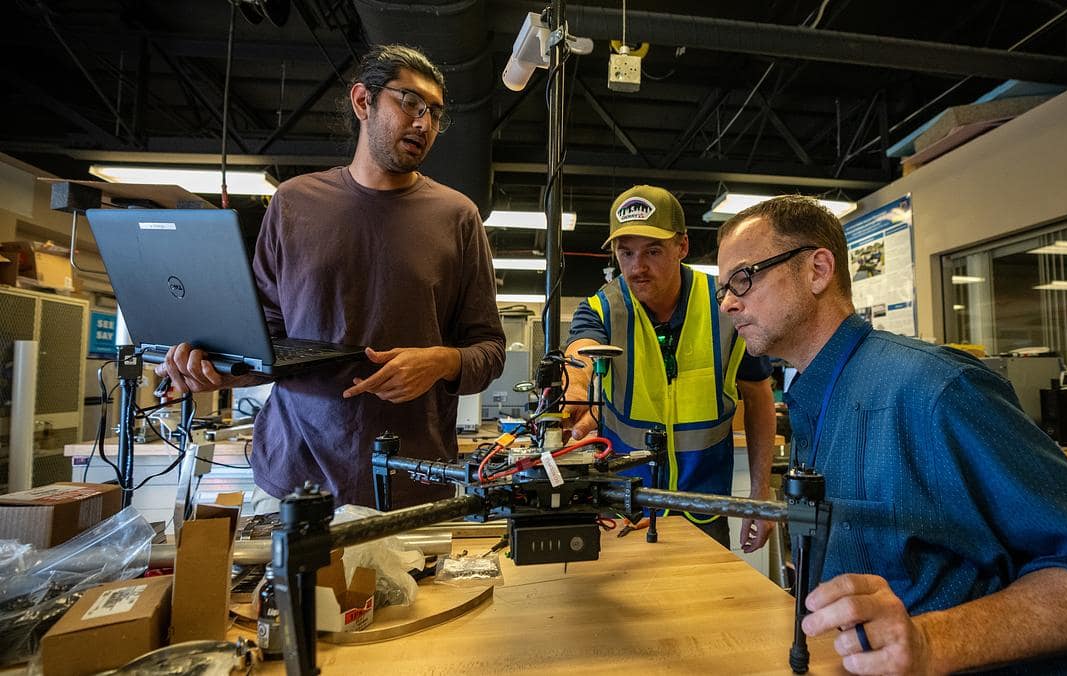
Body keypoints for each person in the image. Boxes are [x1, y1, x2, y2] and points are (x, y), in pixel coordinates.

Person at [714, 195, 1067, 674]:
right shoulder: (814, 397)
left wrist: (932, 640)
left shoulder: (936, 391)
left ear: (818, 269)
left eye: (744, 277)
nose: (727, 302)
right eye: (723, 288)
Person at [157, 44, 505, 509]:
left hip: (409, 480)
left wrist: (440, 362)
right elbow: (264, 342)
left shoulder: (458, 217)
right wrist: (214, 370)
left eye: (435, 113)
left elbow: (490, 350)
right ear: (363, 101)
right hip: (295, 479)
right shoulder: (294, 203)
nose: (425, 123)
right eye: (410, 103)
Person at [562, 185, 778, 552]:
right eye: (625, 252)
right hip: (627, 511)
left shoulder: (726, 308)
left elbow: (758, 394)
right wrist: (578, 386)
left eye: (653, 251)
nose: (636, 267)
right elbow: (582, 348)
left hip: (704, 511)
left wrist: (760, 491)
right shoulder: (601, 309)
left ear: (683, 247)